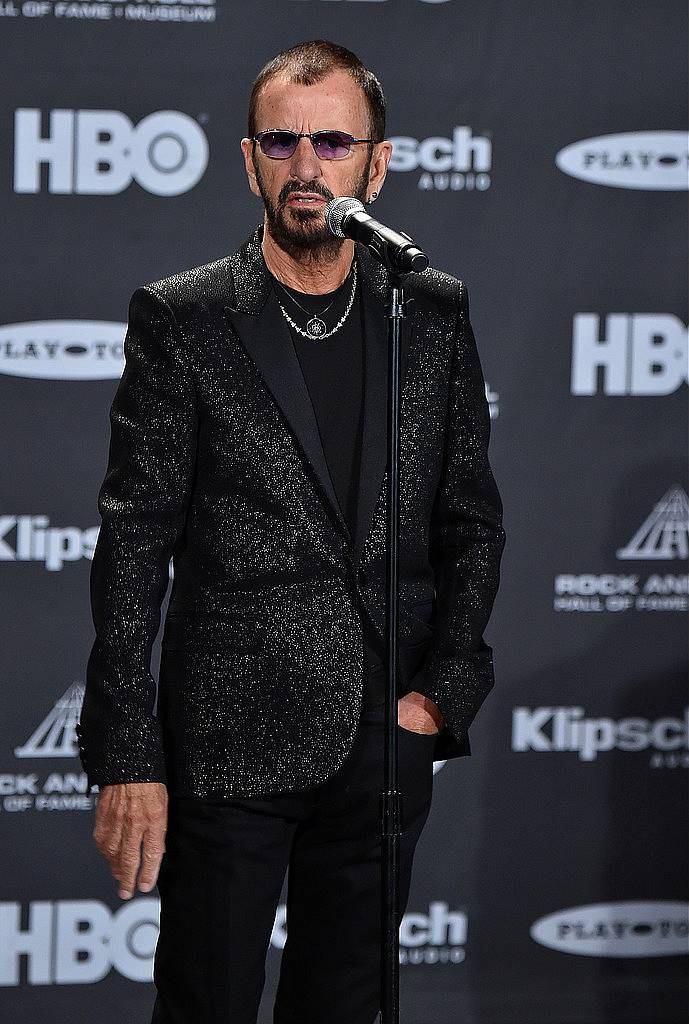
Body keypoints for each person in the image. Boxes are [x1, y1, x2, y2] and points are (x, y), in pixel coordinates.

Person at [76, 39, 506, 1024]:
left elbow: (470, 520)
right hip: (227, 747)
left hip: (381, 746)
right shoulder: (183, 320)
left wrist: (439, 697)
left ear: (376, 163)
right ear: (247, 159)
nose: (304, 164)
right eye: (281, 141)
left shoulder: (428, 313)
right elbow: (133, 543)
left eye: (330, 141)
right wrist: (129, 752)